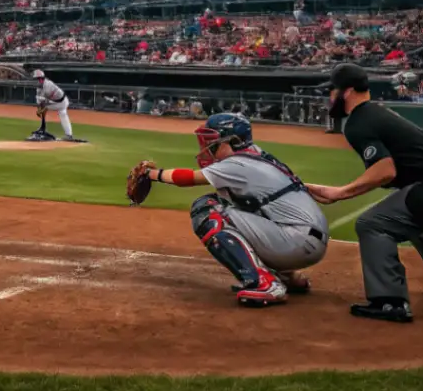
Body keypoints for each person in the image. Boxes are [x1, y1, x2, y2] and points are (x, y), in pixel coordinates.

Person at [307, 62, 423, 324]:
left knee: (372, 223)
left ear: (346, 92)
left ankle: (389, 301)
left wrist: (340, 192)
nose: (330, 96)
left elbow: (385, 171)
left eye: (332, 91)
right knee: (412, 218)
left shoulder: (358, 121)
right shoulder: (378, 112)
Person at [137, 112, 328, 307]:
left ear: (231, 141)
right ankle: (286, 277)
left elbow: (187, 179)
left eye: (213, 141)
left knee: (206, 208)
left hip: (295, 241)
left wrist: (151, 174)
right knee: (236, 205)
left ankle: (264, 284)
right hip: (304, 238)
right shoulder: (257, 155)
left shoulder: (236, 164)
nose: (207, 147)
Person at [32, 69, 76, 140]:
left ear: (42, 78)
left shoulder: (48, 84)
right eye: (37, 79)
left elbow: (46, 100)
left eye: (39, 79)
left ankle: (43, 128)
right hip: (59, 102)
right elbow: (40, 100)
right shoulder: (40, 87)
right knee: (63, 114)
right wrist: (40, 107)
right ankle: (69, 135)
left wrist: (41, 108)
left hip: (61, 101)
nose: (38, 80)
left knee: (44, 107)